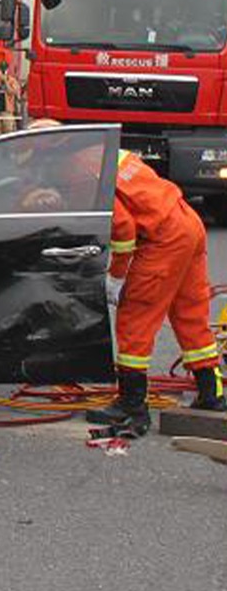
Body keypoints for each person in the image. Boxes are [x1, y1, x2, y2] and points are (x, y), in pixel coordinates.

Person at [79, 136, 225, 432]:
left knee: (135, 317)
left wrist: (116, 277)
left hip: (163, 238)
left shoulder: (79, 169)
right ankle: (212, 394)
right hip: (187, 223)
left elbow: (123, 228)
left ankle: (131, 405)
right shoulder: (108, 152)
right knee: (189, 312)